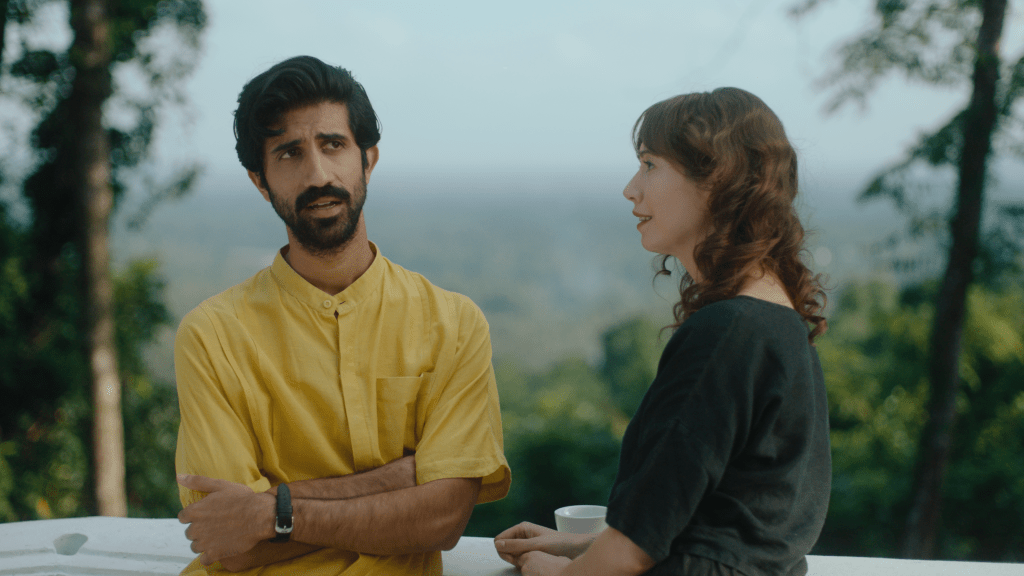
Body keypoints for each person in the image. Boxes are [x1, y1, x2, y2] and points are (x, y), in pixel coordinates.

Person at [173, 55, 510, 576]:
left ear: (367, 159)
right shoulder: (212, 335)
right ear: (260, 181)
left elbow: (442, 518)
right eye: (289, 153)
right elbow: (230, 541)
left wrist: (270, 512)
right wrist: (401, 480)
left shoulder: (453, 324)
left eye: (333, 145)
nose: (318, 174)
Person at [493, 88, 831, 576]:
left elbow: (631, 554)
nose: (631, 189)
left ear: (717, 180)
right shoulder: (774, 323)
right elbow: (726, 525)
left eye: (649, 164)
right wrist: (578, 546)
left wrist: (553, 572)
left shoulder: (728, 332)